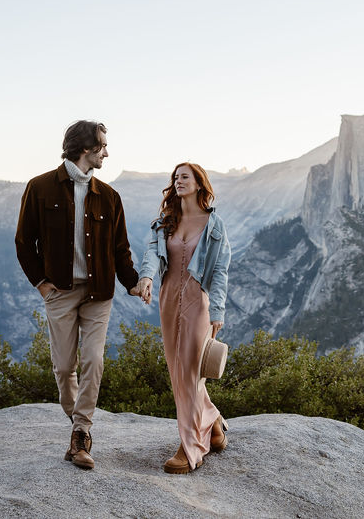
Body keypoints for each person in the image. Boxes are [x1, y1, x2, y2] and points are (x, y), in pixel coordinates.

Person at [15, 121, 148, 470]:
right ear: (85, 148)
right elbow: (24, 243)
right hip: (59, 291)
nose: (107, 151)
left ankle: (81, 434)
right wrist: (42, 284)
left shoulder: (109, 196)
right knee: (63, 368)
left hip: (99, 292)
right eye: (102, 145)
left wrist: (132, 282)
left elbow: (121, 249)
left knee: (93, 360)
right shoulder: (40, 188)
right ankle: (78, 423)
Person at [135, 162, 232, 474]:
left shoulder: (213, 224)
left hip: (197, 300)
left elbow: (219, 270)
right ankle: (213, 419)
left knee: (189, 373)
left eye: (184, 177)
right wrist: (147, 278)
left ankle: (190, 446)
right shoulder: (166, 222)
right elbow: (152, 253)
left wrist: (217, 310)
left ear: (199, 184)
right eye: (175, 177)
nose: (178, 181)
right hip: (167, 299)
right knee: (178, 370)